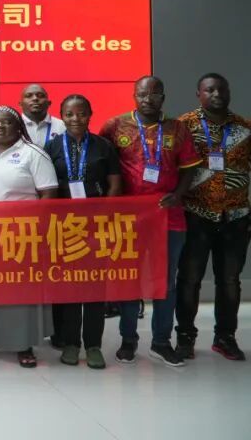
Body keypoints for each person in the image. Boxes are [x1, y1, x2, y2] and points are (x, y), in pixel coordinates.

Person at [99, 75, 199, 366]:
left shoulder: (178, 128)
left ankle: (161, 342)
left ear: (162, 98)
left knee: (165, 282)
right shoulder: (115, 126)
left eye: (154, 94)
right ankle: (128, 340)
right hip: (128, 220)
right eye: (142, 94)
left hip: (168, 217)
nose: (148, 99)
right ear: (134, 96)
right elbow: (102, 165)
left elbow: (189, 168)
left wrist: (178, 194)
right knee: (129, 280)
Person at [0, 106, 58, 369]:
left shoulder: (34, 154)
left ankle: (23, 344)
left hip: (21, 235)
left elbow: (48, 194)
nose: (0, 126)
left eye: (6, 122)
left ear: (18, 126)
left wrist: (35, 228)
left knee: (19, 290)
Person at [176, 73, 251, 362]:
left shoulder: (245, 127)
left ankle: (225, 338)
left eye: (222, 89)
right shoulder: (184, 126)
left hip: (236, 216)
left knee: (229, 280)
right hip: (196, 215)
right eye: (210, 90)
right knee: (189, 279)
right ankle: (185, 337)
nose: (217, 94)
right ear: (199, 94)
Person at [44, 95, 122, 370]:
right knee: (68, 287)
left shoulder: (103, 146)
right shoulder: (51, 147)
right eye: (69, 114)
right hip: (63, 228)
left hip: (96, 226)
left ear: (90, 114)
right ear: (62, 116)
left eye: (81, 114)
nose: (75, 119)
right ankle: (70, 343)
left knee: (94, 287)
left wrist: (104, 217)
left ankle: (93, 345)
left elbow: (114, 184)